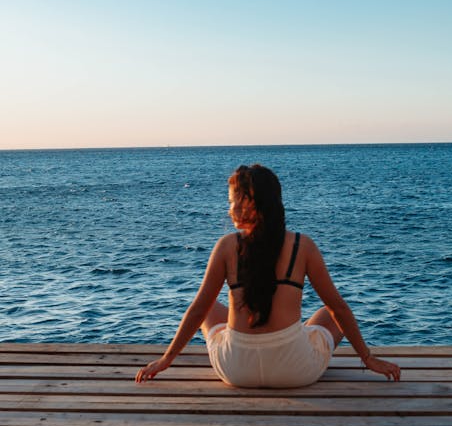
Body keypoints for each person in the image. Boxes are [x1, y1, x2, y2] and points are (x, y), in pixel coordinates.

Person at [136, 164, 401, 386]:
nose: (229, 209)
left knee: (209, 309)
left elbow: (197, 309)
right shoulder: (302, 246)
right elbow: (338, 308)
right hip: (295, 371)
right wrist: (368, 358)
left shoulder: (227, 246)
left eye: (231, 202)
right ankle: (297, 336)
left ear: (248, 202)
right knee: (326, 313)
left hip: (236, 369)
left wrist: (166, 359)